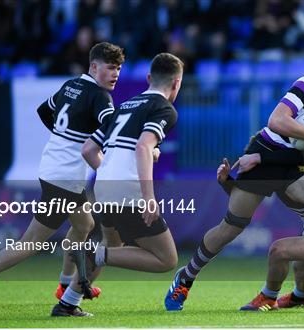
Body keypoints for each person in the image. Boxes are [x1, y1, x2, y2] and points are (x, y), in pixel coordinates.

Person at [165, 43, 304, 311]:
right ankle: (185, 277)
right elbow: (276, 120)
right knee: (232, 226)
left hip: (299, 161)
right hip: (266, 151)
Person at [0, 42, 124, 309]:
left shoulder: (71, 86)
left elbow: (44, 110)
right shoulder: (100, 97)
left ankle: (65, 284)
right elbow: (113, 127)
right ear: (94, 66)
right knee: (31, 243)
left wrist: (63, 139)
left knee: (84, 225)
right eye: (111, 68)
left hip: (55, 171)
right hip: (64, 178)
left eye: (119, 69)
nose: (116, 74)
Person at [50, 52, 184, 317]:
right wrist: (148, 196)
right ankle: (92, 252)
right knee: (166, 259)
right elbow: (143, 146)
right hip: (128, 193)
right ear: (177, 83)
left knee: (113, 246)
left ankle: (67, 302)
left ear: (148, 78)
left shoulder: (125, 105)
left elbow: (89, 149)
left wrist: (111, 171)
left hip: (102, 190)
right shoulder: (164, 109)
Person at [218, 152, 304, 309]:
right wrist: (227, 182)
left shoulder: (297, 165)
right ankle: (300, 297)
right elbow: (247, 199)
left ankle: (268, 297)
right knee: (299, 269)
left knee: (278, 251)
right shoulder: (283, 165)